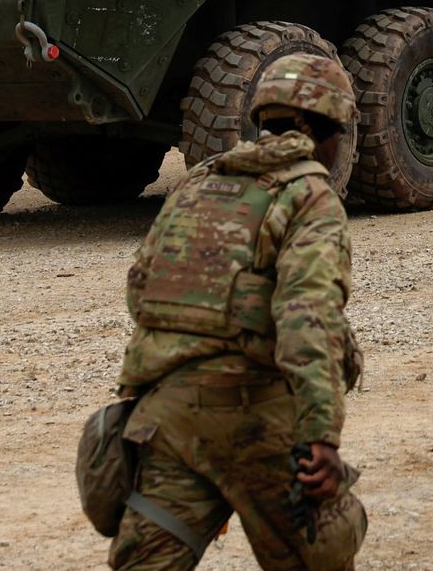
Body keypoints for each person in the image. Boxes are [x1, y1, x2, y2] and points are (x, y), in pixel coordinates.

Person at [109, 54, 367, 571]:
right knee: (323, 549)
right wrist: (321, 436)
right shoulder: (309, 196)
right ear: (328, 131)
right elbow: (308, 320)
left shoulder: (198, 182)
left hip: (166, 419)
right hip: (254, 418)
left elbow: (142, 290)